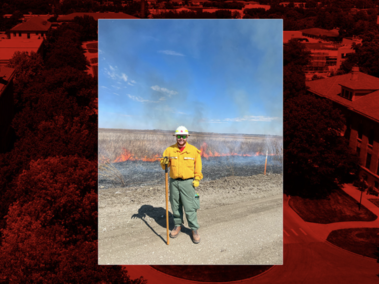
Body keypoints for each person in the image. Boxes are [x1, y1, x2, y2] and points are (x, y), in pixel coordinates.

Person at [160, 126, 203, 244]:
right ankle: (178, 225)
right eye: (179, 136)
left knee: (190, 207)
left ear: (187, 137)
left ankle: (194, 229)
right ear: (176, 137)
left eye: (183, 136)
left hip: (188, 182)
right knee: (175, 206)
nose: (181, 138)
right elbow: (165, 166)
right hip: (174, 182)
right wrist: (163, 163)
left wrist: (197, 178)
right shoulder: (169, 150)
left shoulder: (194, 151)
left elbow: (198, 167)